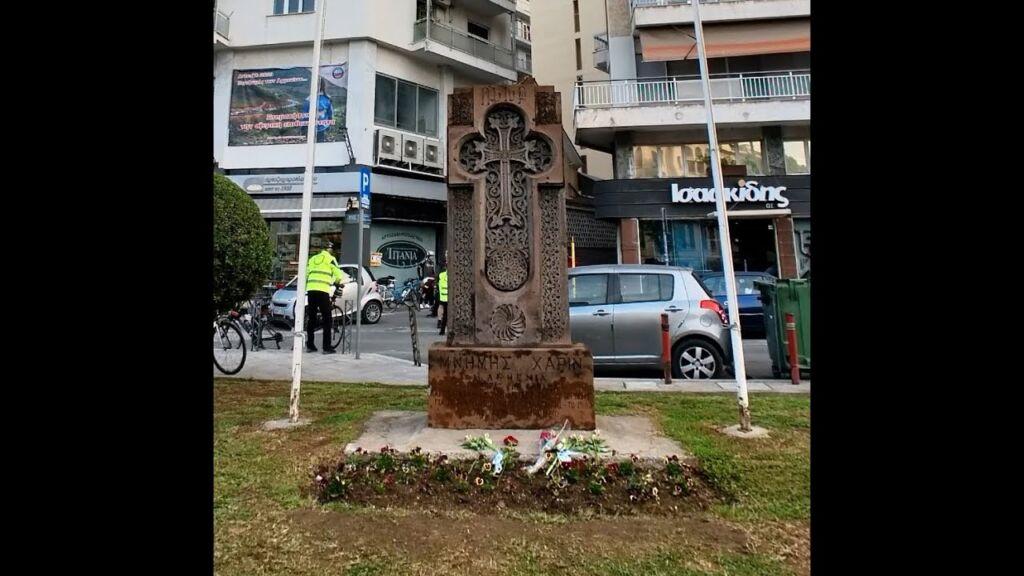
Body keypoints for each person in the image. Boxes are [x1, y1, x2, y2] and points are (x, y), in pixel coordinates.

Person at [305, 240, 349, 354]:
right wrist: (336, 282)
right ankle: (326, 347)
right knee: (327, 319)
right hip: (322, 290)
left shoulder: (312, 259)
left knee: (311, 318)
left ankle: (310, 346)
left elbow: (306, 274)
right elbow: (339, 275)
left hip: (311, 290)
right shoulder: (331, 259)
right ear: (330, 250)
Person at [437, 254, 448, 335]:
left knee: (441, 308)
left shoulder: (441, 274)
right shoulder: (452, 275)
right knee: (447, 313)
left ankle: (440, 322)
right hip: (449, 296)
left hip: (442, 295)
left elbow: (437, 283)